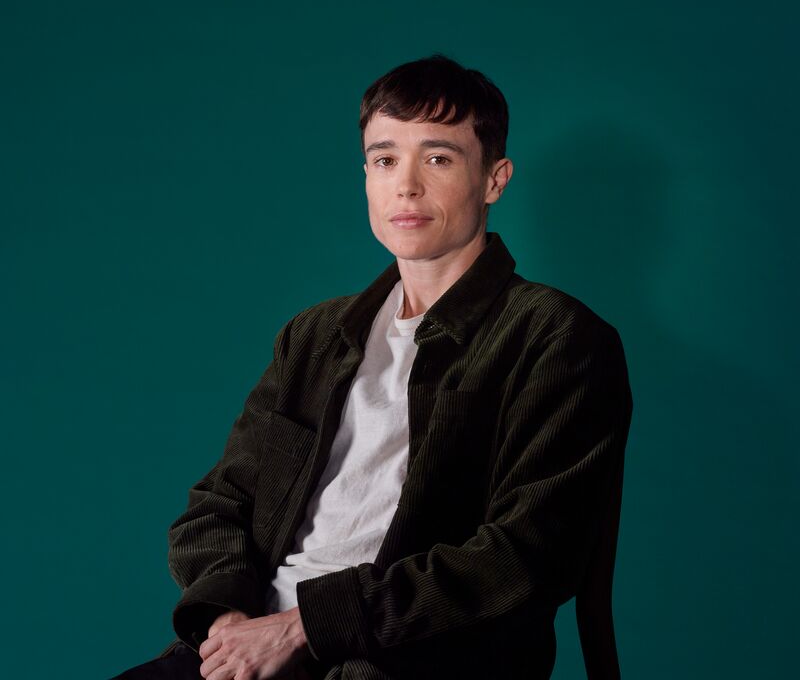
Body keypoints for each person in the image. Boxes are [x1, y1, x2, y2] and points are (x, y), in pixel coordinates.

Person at [111, 54, 633, 680]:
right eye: (385, 159)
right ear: (365, 175)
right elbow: (217, 505)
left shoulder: (558, 338)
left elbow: (524, 558)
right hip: (252, 643)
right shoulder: (313, 337)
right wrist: (229, 629)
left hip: (407, 659)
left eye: (438, 158)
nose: (406, 185)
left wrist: (306, 625)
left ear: (494, 180)